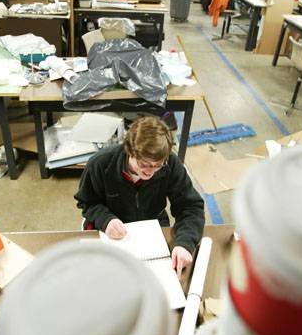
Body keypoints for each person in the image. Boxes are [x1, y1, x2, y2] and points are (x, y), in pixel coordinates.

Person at [75, 116, 205, 276]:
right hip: (111, 229)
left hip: (152, 225)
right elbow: (87, 202)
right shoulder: (101, 164)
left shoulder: (171, 163)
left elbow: (190, 207)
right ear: (129, 151)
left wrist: (185, 243)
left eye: (158, 165)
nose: (150, 171)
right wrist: (105, 220)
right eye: (144, 164)